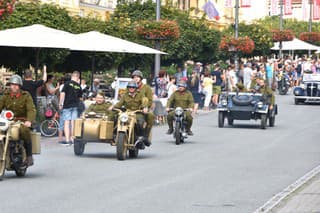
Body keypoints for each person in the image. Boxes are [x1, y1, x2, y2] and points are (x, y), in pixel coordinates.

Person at [0, 75, 36, 166]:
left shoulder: (26, 95)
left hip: (22, 121)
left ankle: (29, 156)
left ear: (19, 86)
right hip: (9, 121)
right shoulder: (6, 95)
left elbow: (31, 109)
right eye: (12, 84)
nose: (14, 86)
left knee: (24, 130)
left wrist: (29, 120)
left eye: (16, 85)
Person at [109, 80, 149, 149]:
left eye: (133, 87)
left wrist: (145, 107)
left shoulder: (140, 94)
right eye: (130, 87)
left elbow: (144, 101)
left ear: (136, 88)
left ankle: (141, 137)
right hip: (127, 113)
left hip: (137, 112)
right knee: (115, 118)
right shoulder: (125, 95)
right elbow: (120, 103)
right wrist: (113, 107)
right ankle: (114, 134)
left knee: (140, 122)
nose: (131, 88)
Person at [59, 71, 82, 145]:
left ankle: (67, 139)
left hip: (67, 105)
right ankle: (72, 138)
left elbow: (62, 94)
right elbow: (80, 98)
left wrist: (60, 104)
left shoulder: (67, 84)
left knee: (66, 122)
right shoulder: (79, 86)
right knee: (73, 123)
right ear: (78, 77)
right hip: (75, 106)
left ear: (72, 76)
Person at [131, 70, 153, 146]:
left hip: (143, 109)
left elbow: (150, 100)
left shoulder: (147, 88)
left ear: (141, 78)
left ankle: (145, 136)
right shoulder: (130, 86)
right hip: (130, 110)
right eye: (134, 77)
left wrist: (145, 108)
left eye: (137, 77)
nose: (135, 78)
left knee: (150, 116)